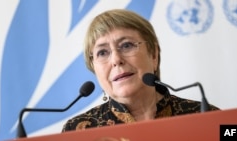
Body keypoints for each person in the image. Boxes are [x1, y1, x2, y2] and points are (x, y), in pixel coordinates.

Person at [62, 9, 219, 132]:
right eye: (102, 52)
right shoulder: (76, 130)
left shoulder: (205, 115)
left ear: (153, 55)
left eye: (126, 45)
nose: (116, 60)